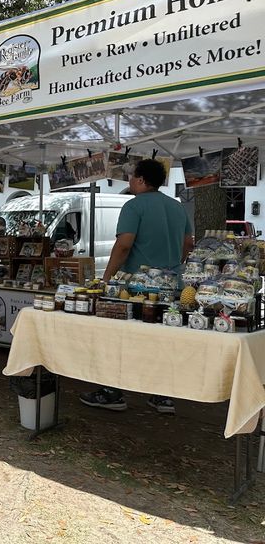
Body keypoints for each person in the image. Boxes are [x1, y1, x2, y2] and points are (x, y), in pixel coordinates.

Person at [80, 159, 193, 414]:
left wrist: (106, 278)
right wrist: (174, 266)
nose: (129, 182)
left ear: (141, 180)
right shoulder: (177, 207)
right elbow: (188, 244)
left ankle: (112, 392)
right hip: (173, 285)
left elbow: (123, 245)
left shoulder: (133, 206)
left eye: (131, 177)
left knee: (120, 339)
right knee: (162, 340)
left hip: (137, 289)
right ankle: (162, 396)